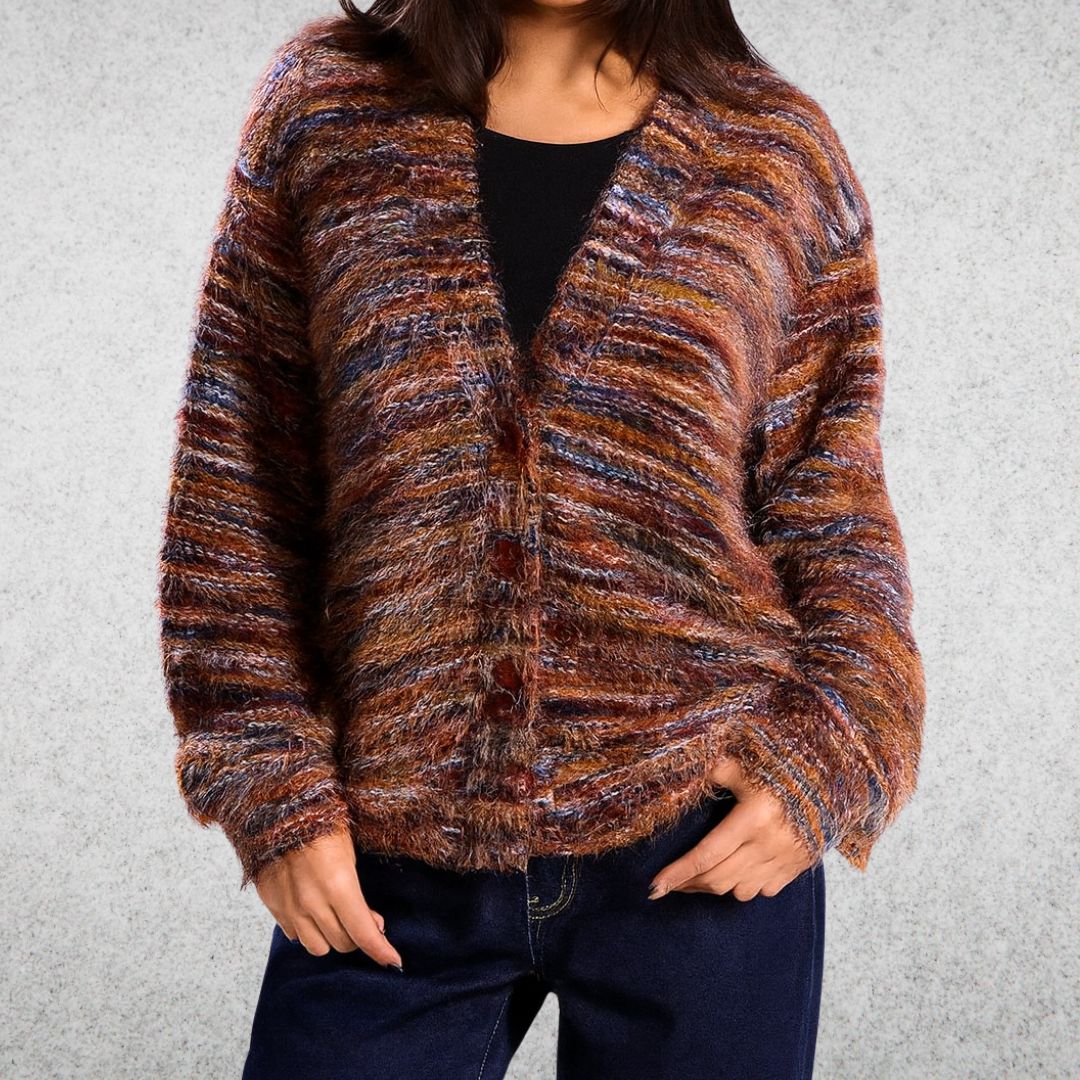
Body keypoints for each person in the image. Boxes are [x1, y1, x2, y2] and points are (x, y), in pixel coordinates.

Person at [157, 1, 926, 1077]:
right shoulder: (328, 114)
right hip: (392, 852)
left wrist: (827, 751)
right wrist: (271, 788)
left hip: (699, 841)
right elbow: (238, 483)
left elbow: (830, 503)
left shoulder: (771, 151)